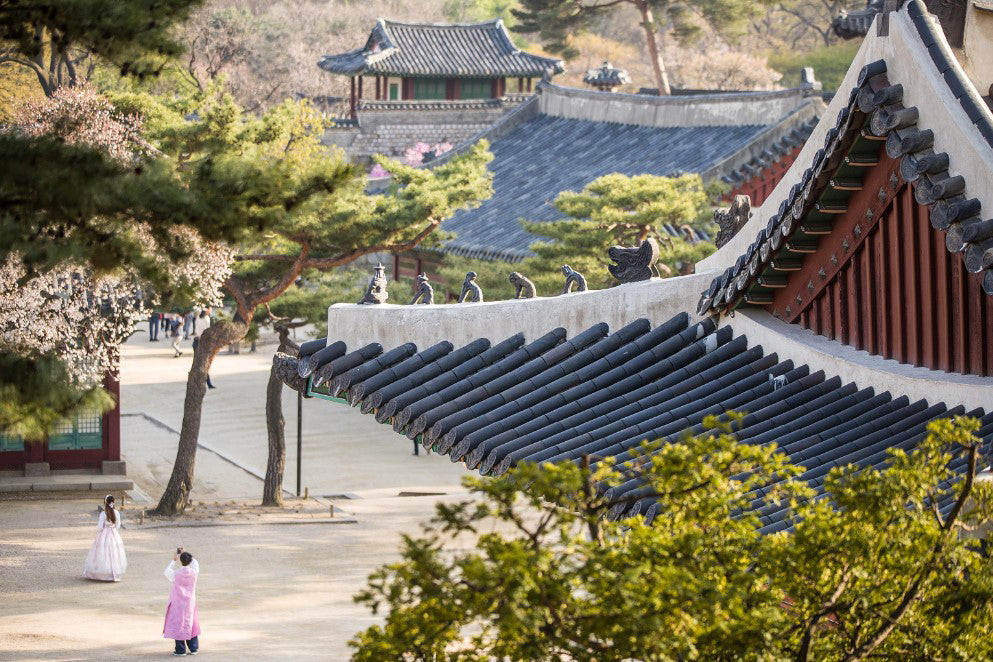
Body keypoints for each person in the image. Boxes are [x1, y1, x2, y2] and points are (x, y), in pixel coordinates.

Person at [164, 547, 201, 656]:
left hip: (177, 603)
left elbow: (166, 572)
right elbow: (195, 564)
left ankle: (180, 650)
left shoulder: (176, 574)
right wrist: (185, 553)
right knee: (191, 622)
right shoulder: (194, 572)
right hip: (190, 603)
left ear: (181, 561)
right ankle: (193, 648)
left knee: (178, 624)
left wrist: (174, 560)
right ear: (190, 560)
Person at [83, 495, 127, 582]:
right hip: (114, 534)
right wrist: (112, 527)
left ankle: (102, 572)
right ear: (113, 502)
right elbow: (118, 526)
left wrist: (99, 532)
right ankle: (114, 572)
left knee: (102, 552)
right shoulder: (117, 513)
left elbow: (100, 526)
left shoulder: (103, 514)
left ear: (105, 503)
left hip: (104, 534)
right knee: (114, 553)